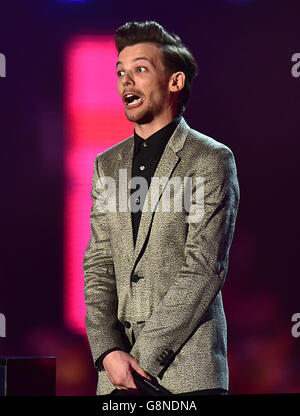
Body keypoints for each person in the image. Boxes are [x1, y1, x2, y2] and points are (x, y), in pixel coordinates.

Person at [83, 20, 240, 396]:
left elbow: (203, 268)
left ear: (175, 82)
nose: (126, 81)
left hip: (186, 379)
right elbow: (99, 263)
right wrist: (108, 351)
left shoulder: (210, 159)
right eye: (121, 71)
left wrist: (138, 364)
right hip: (117, 377)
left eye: (140, 69)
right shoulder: (106, 165)